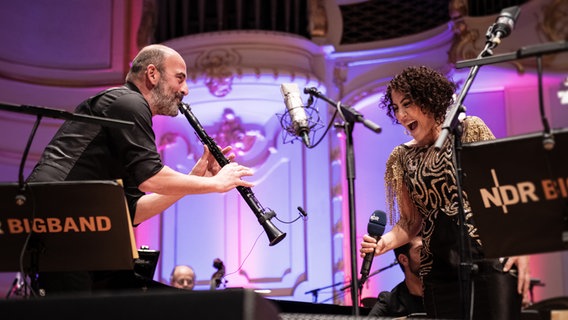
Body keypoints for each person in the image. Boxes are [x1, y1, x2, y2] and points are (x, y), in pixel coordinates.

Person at [26, 44, 255, 295]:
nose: (185, 90)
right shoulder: (128, 102)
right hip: (60, 222)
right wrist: (216, 184)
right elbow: (151, 178)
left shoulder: (130, 112)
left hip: (76, 229)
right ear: (152, 74)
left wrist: (193, 179)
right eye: (179, 78)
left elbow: (133, 212)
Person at [359, 66, 530, 320]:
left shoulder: (469, 131)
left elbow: (505, 193)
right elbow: (410, 222)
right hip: (438, 274)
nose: (401, 114)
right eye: (395, 108)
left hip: (488, 262)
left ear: (429, 100)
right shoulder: (403, 157)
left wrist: (521, 248)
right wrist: (383, 243)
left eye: (407, 104)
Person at [368, 236, 424, 318]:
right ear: (404, 259)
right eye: (420, 250)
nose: (429, 255)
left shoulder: (446, 293)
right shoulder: (390, 302)